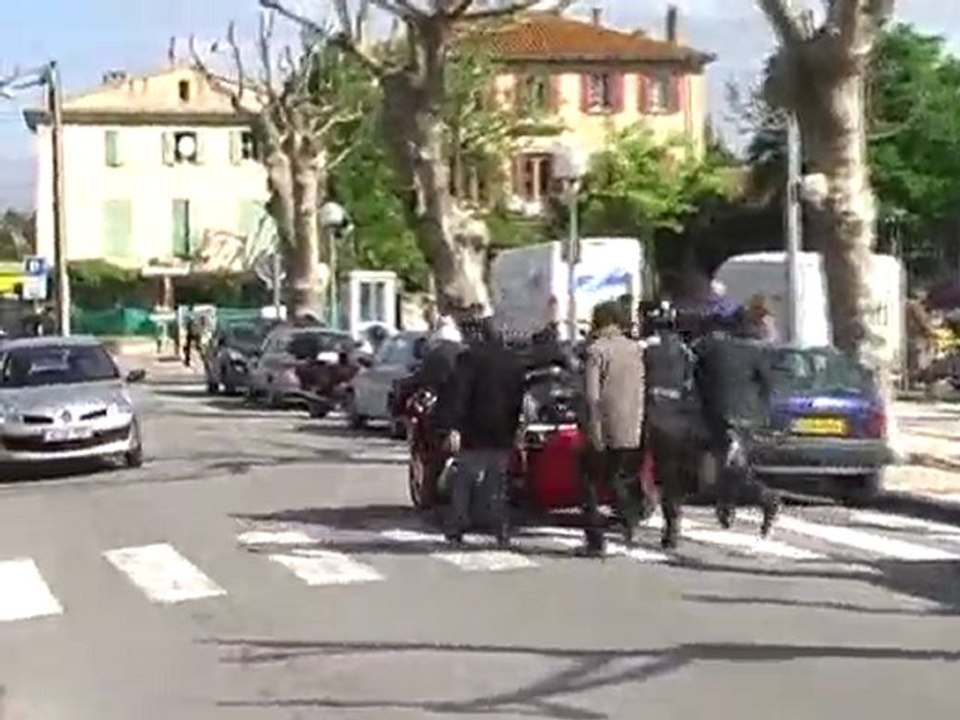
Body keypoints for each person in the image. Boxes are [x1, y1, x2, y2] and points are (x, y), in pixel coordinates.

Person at [693, 308, 781, 536]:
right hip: (748, 419)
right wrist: (762, 412)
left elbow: (694, 368)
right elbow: (769, 385)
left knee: (732, 469)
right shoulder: (756, 352)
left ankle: (764, 499)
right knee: (731, 468)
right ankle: (727, 506)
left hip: (723, 418)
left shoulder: (713, 347)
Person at [444, 315, 526, 547]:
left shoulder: (468, 359)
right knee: (496, 481)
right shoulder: (512, 362)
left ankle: (458, 524)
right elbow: (517, 398)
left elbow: (460, 394)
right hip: (502, 429)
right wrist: (516, 426)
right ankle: (500, 528)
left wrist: (454, 427)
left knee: (465, 479)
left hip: (474, 427)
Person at [580, 301, 646, 556]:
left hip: (604, 426)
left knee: (589, 482)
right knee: (620, 476)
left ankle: (595, 538)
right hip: (631, 425)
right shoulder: (634, 349)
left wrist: (593, 429)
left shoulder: (597, 350)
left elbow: (591, 394)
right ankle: (628, 519)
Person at [643, 301, 706, 549]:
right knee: (672, 475)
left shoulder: (646, 348)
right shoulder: (684, 350)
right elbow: (692, 383)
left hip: (653, 415)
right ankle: (672, 520)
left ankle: (644, 513)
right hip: (679, 418)